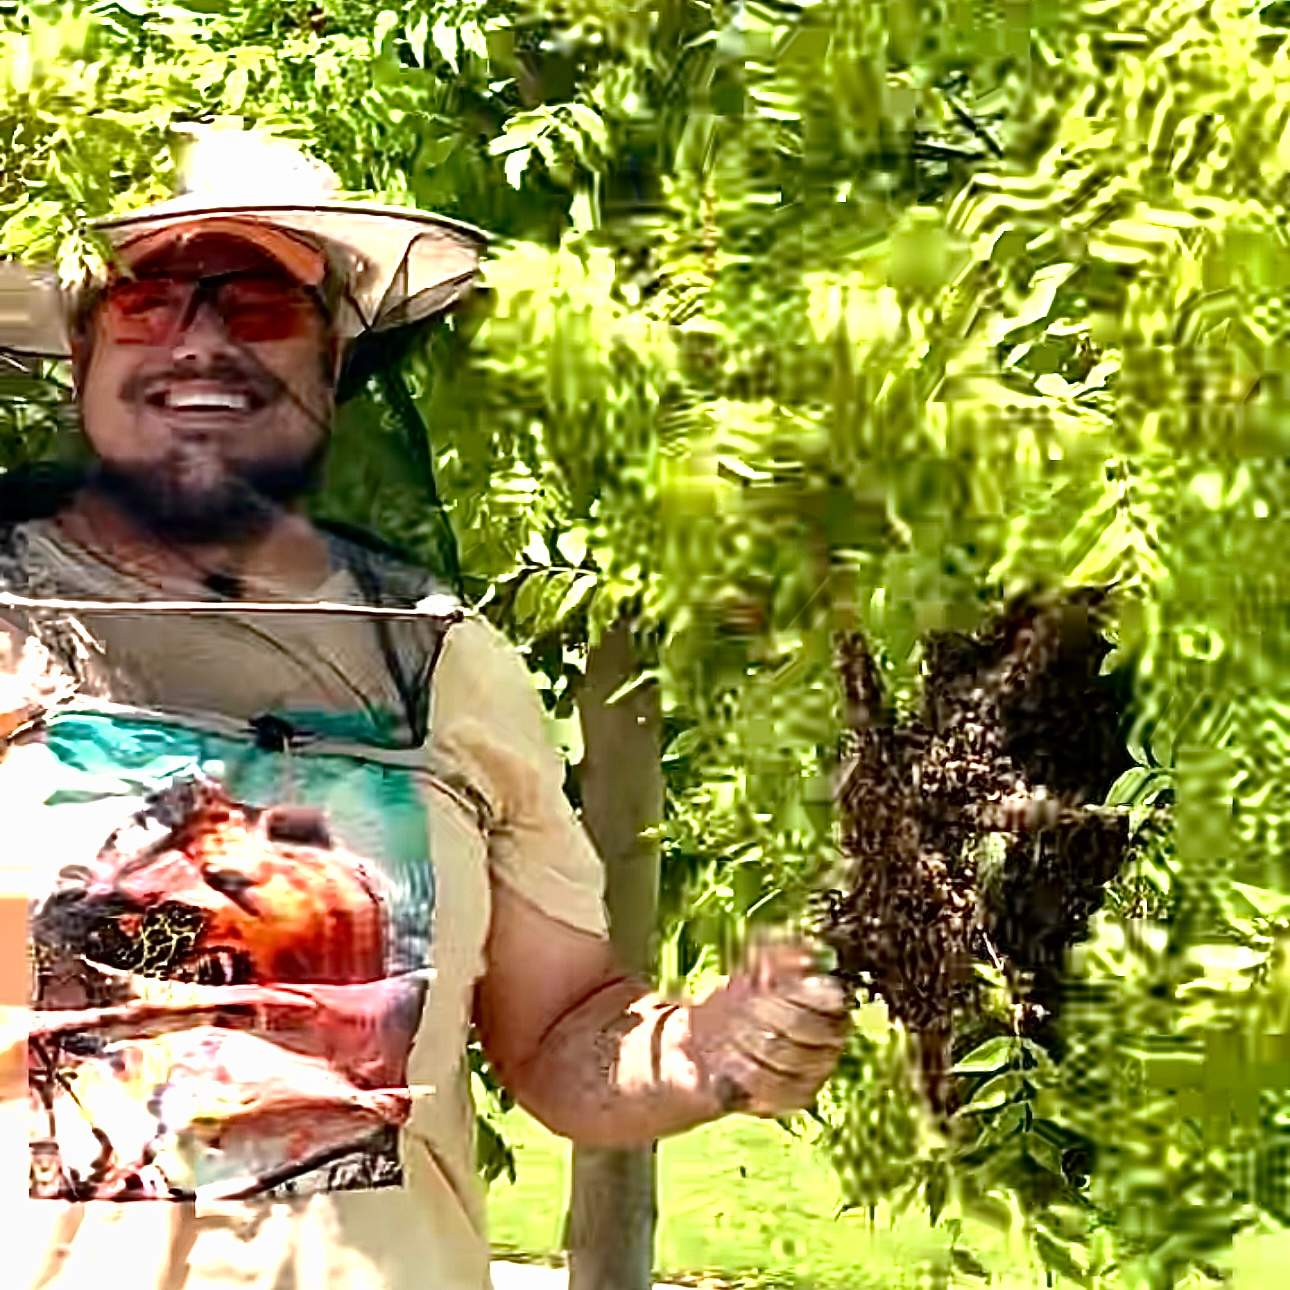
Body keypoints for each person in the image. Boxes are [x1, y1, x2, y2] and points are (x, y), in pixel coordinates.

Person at [0, 128, 848, 1290]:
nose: (201, 339)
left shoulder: (455, 667)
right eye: (149, 301)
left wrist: (708, 1050)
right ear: (84, 350)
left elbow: (561, 1037)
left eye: (257, 303)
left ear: (333, 361)